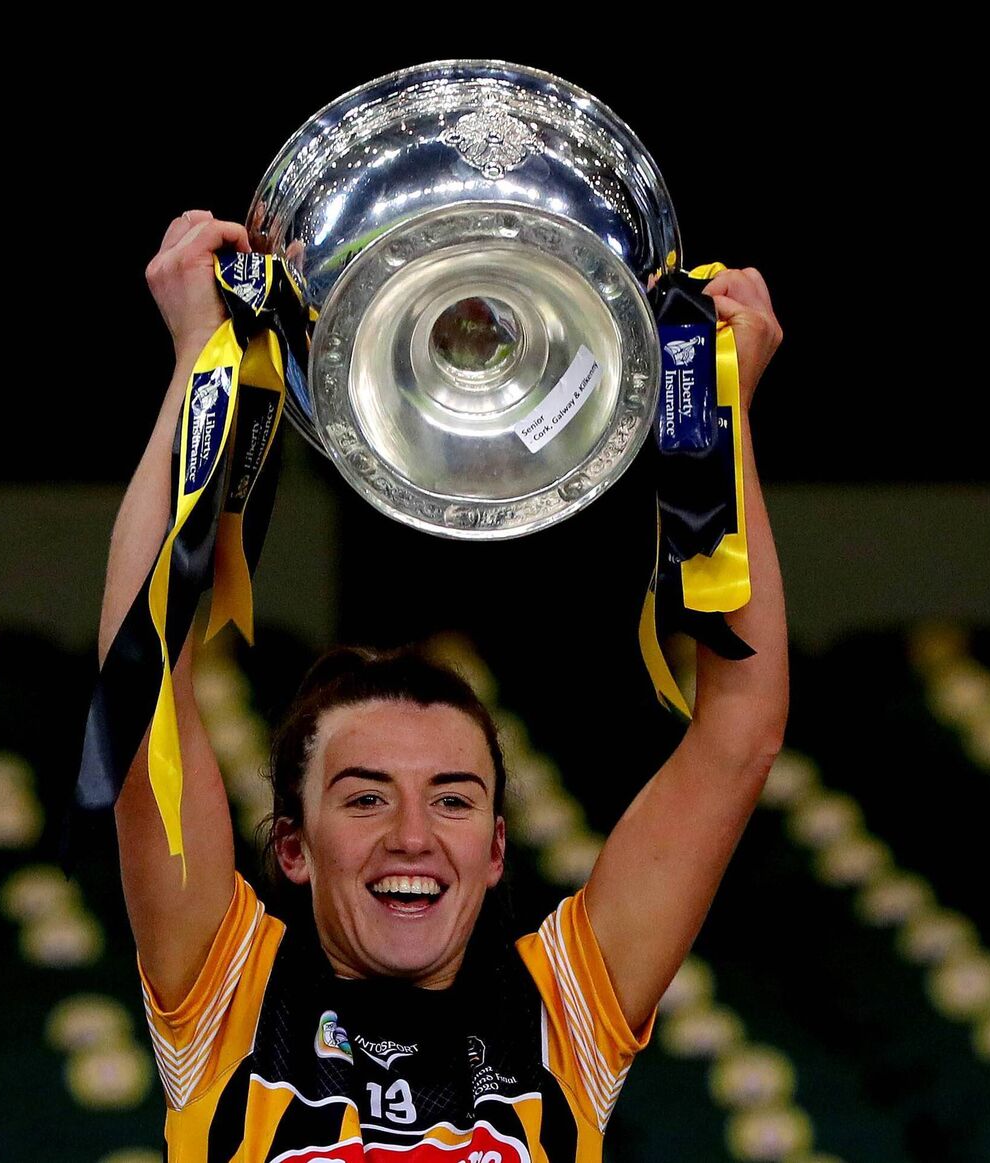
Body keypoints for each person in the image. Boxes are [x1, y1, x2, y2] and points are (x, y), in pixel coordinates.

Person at [104, 210, 787, 1161]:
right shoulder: (231, 998)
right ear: (293, 849)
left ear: (498, 846)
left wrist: (717, 414)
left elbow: (739, 732)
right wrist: (195, 362)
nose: (413, 836)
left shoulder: (561, 1019)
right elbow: (145, 701)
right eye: (365, 796)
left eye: (453, 798)